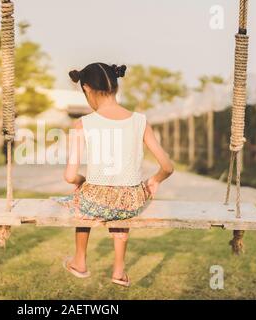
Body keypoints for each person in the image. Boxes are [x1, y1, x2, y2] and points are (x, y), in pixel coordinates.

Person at [53, 63, 173, 287]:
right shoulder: (140, 121)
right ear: (116, 86)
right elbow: (168, 166)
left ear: (87, 88)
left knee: (83, 196)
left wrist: (82, 182)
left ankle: (80, 261)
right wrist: (154, 181)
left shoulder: (83, 124)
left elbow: (70, 176)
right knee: (121, 198)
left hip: (95, 201)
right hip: (131, 202)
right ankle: (118, 269)